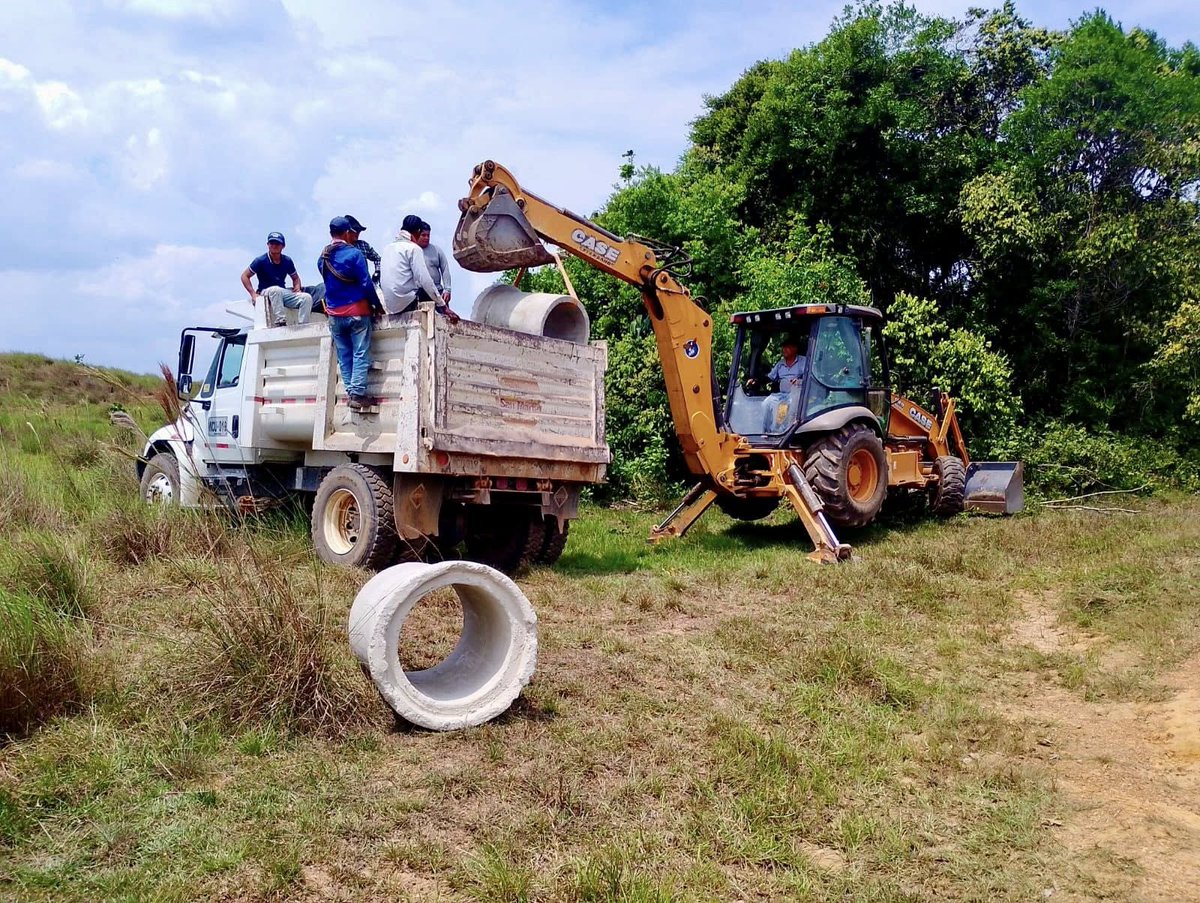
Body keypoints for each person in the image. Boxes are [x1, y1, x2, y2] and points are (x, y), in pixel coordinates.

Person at [319, 216, 377, 411]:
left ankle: (351, 392)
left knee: (344, 355)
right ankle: (358, 394)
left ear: (331, 233)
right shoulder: (354, 254)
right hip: (356, 311)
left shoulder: (322, 258)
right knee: (360, 352)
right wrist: (376, 304)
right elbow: (366, 283)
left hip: (334, 315)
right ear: (346, 232)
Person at [380, 214, 460, 323]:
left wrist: (447, 289)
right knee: (427, 289)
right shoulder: (414, 248)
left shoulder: (387, 248)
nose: (426, 238)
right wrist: (443, 306)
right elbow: (425, 281)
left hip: (390, 305)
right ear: (418, 232)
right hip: (407, 301)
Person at [241, 232, 313, 326]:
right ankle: (281, 321)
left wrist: (297, 287)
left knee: (306, 298)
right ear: (268, 245)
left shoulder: (287, 261)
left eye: (277, 243)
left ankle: (303, 326)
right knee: (275, 289)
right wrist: (253, 294)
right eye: (272, 243)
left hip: (282, 293)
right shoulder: (260, 261)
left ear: (283, 246)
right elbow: (244, 276)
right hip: (265, 292)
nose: (274, 246)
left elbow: (295, 278)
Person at [414, 220, 452, 304]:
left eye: (428, 235)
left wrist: (447, 289)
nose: (426, 238)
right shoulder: (411, 251)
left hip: (437, 290)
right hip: (417, 292)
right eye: (423, 235)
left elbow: (445, 269)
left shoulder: (436, 250)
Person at [343, 214, 383, 284]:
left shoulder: (363, 245)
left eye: (359, 231)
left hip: (363, 284)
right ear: (347, 231)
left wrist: (377, 271)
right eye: (356, 231)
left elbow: (378, 259)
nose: (358, 234)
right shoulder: (339, 249)